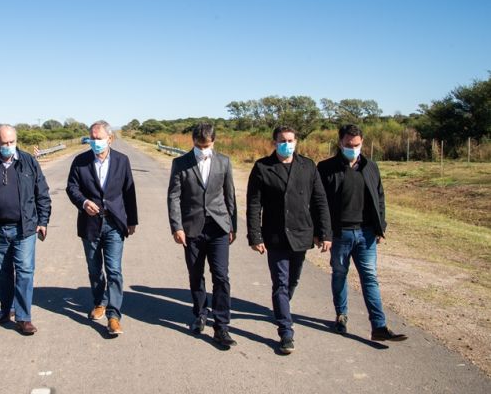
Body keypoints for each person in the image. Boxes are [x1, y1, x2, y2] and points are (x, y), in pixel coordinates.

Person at [246, 125, 332, 354]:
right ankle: (286, 331)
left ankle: (281, 307)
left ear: (296, 141)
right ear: (274, 142)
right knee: (280, 283)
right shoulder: (262, 167)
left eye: (291, 140)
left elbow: (320, 201)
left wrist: (325, 232)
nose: (287, 144)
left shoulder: (308, 166)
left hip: (302, 233)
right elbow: (254, 205)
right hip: (274, 235)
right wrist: (255, 235)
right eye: (283, 140)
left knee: (293, 281)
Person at [317, 124, 407, 342]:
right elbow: (319, 203)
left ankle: (379, 326)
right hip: (340, 235)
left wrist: (380, 227)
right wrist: (323, 233)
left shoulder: (370, 167)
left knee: (370, 278)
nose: (353, 148)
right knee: (339, 274)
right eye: (348, 144)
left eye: (356, 145)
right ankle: (341, 315)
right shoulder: (326, 168)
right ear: (340, 143)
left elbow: (380, 197)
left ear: (362, 143)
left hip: (366, 234)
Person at [167, 123, 238, 348]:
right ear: (193, 142)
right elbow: (174, 197)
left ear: (213, 142)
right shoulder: (180, 163)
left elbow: (230, 196)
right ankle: (199, 314)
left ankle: (221, 326)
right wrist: (176, 227)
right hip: (192, 230)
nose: (203, 150)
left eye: (207, 146)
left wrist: (232, 225)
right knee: (196, 275)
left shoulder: (224, 162)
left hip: (218, 227)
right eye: (199, 146)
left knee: (221, 277)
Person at [66, 120, 138, 336]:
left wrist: (132, 220)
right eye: (92, 138)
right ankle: (100, 302)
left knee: (114, 270)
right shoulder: (80, 161)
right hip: (90, 224)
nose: (95, 142)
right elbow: (71, 187)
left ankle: (114, 316)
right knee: (95, 269)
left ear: (110, 139)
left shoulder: (122, 161)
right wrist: (83, 202)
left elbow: (129, 191)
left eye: (99, 138)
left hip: (114, 223)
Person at [0, 124, 51, 335]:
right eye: (4, 143)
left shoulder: (29, 162)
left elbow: (43, 193)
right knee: (2, 273)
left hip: (25, 228)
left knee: (25, 272)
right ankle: (6, 309)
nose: (8, 146)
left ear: (16, 141)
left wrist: (43, 220)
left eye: (12, 142)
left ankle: (23, 317)